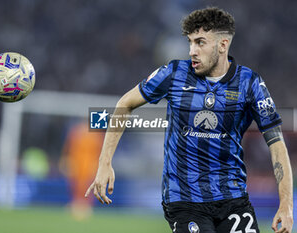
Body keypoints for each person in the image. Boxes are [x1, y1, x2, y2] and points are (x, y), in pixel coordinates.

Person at [85, 7, 293, 233]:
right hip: (184, 200)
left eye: (201, 43)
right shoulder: (174, 73)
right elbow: (124, 104)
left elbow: (276, 144)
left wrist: (286, 205)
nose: (192, 50)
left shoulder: (250, 83)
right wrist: (105, 163)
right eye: (190, 42)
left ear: (223, 45)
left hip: (233, 199)